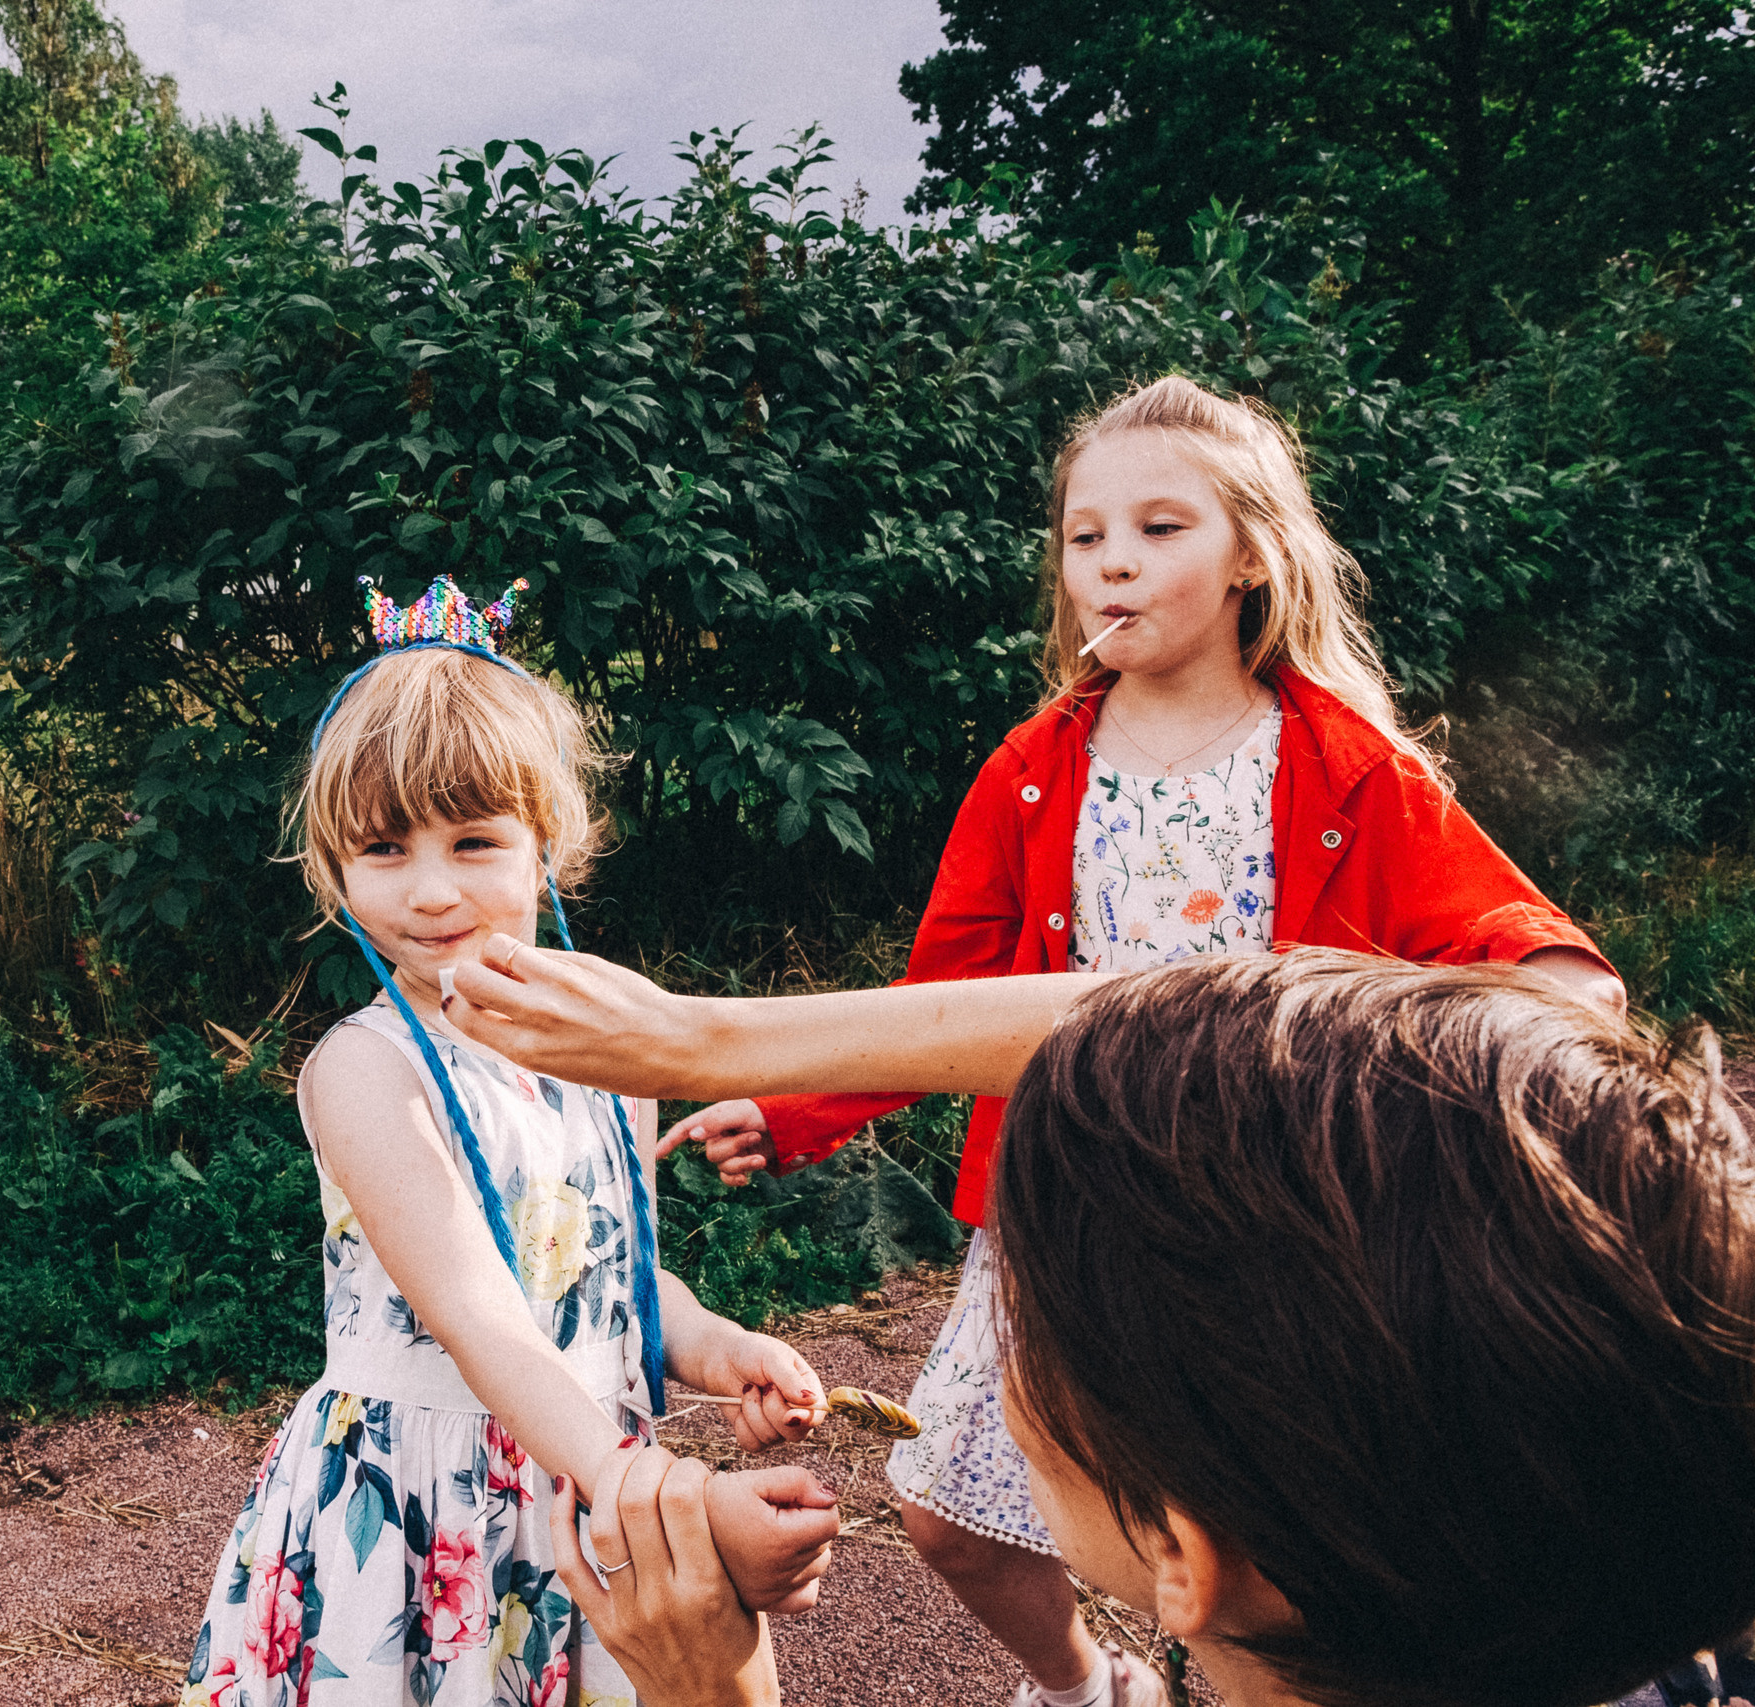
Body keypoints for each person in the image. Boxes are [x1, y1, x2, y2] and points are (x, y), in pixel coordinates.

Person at [657, 374, 1625, 1707]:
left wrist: (1554, 981)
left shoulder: (1349, 762)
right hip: (1060, 1202)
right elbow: (947, 987)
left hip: (1271, 1216)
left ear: (1253, 557)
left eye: (1161, 527)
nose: (1113, 557)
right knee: (946, 1514)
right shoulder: (1033, 768)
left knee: (1271, 1552)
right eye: (1084, 532)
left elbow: (1502, 930)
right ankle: (1087, 1685)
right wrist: (799, 1103)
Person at [432, 936, 1755, 1707]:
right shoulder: (1655, 1560)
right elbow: (1226, 1041)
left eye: (1030, 1315)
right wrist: (698, 1039)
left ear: (1185, 1550)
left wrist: (713, 1689)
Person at [179, 579, 843, 1707]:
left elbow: (603, 1275)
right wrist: (647, 1487)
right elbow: (483, 1318)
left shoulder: (606, 1042)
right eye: (383, 848)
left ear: (549, 843)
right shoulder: (364, 1069)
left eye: (473, 839)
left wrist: (714, 1343)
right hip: (421, 1506)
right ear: (333, 866)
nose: (431, 891)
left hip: (589, 1487)